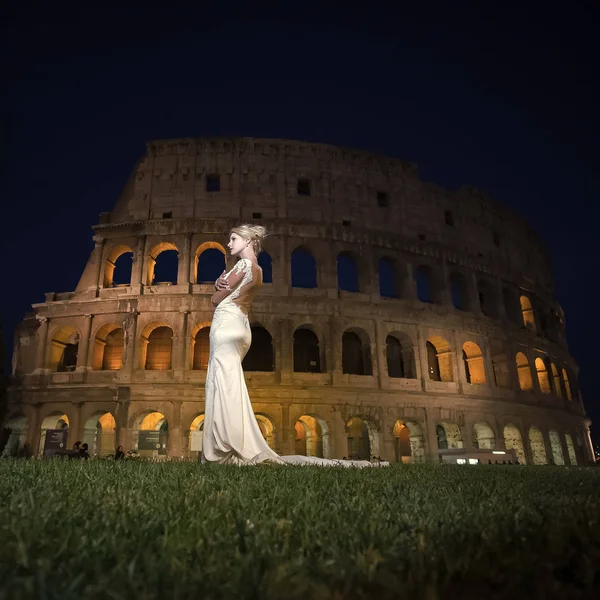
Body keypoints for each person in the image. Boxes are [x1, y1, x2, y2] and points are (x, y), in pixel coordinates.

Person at [201, 224, 387, 469]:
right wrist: (221, 286)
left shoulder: (242, 265)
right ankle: (232, 439)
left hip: (226, 324)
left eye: (234, 239)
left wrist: (218, 288)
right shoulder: (257, 269)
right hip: (241, 326)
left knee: (221, 382)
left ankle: (224, 445)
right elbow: (227, 289)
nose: (229, 244)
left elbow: (216, 298)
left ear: (247, 241)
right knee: (231, 384)